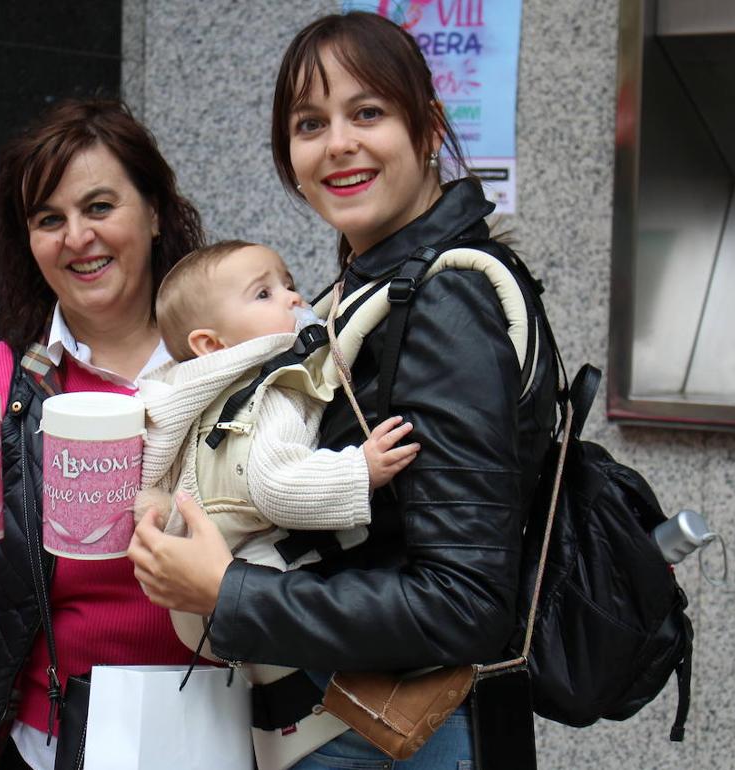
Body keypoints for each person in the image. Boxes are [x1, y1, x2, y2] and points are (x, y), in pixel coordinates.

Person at [128, 12, 560, 769]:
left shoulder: (445, 303)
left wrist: (229, 592)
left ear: (427, 128)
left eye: (368, 113)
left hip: (410, 737)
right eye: (309, 123)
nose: (338, 145)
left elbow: (464, 604)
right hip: (357, 728)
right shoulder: (365, 290)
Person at [0, 99, 204, 770]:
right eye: (50, 219)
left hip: (215, 733)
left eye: (100, 207)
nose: (77, 237)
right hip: (44, 744)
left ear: (156, 210)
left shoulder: (225, 361)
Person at [138, 238, 419, 573]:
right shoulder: (267, 395)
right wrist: (361, 470)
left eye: (288, 284)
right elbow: (277, 487)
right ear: (211, 344)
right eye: (263, 294)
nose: (294, 298)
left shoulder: (194, 398)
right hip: (262, 581)